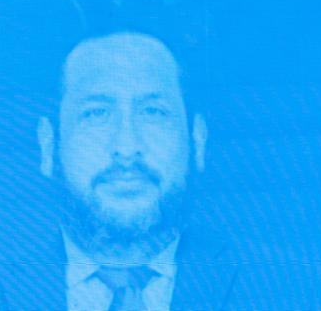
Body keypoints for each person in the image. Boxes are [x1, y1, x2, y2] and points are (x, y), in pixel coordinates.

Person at [29, 31, 266, 311]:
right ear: (49, 145)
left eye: (153, 112)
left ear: (197, 140)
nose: (126, 147)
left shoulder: (285, 282)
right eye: (96, 113)